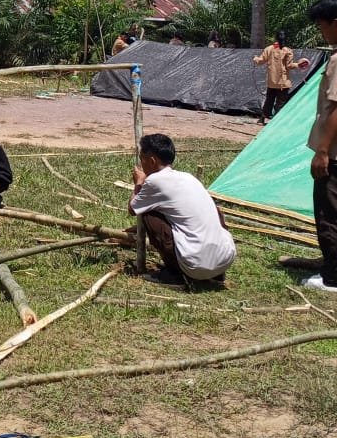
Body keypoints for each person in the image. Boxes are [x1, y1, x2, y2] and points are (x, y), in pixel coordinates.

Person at [128, 132, 236, 286]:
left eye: (142, 159)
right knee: (213, 210)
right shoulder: (188, 177)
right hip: (224, 260)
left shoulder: (154, 181)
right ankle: (216, 273)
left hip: (195, 266)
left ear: (151, 161)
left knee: (148, 213)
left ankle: (174, 274)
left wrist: (139, 183)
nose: (141, 163)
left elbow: (133, 208)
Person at [302, 0, 337, 292]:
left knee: (329, 213)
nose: (321, 32)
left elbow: (336, 109)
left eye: (322, 25)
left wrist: (323, 151)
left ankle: (332, 277)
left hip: (334, 153)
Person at [253, 30, 308, 122]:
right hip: (283, 82)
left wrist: (255, 58)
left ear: (276, 38)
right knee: (280, 102)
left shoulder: (269, 49)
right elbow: (289, 66)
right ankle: (277, 120)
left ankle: (263, 117)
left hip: (272, 82)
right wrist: (298, 64)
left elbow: (260, 61)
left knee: (269, 100)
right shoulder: (288, 50)